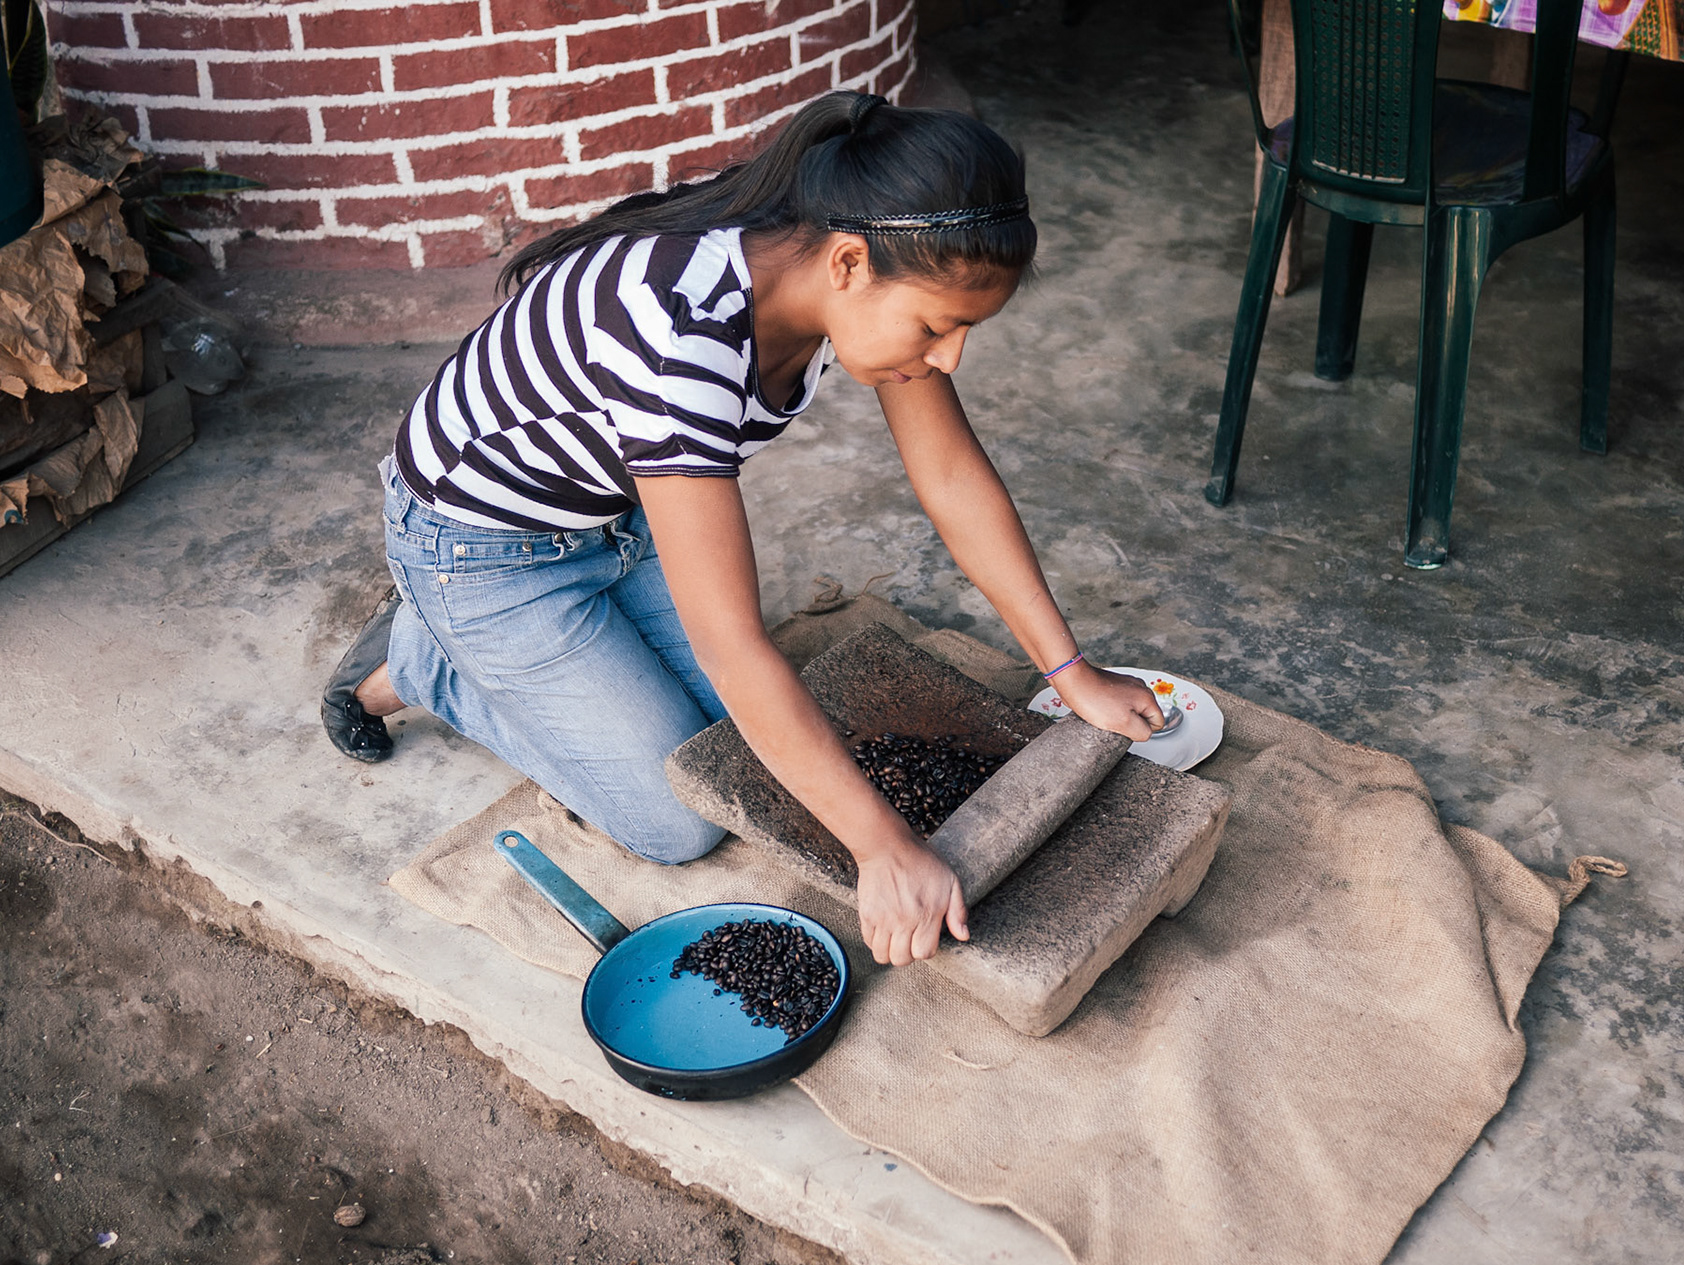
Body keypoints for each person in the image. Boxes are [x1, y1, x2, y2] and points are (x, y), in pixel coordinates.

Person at [321, 90, 1164, 968]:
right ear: (849, 264)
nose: (948, 356)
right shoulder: (679, 338)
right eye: (937, 327)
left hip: (618, 518)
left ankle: (495, 641)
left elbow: (952, 479)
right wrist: (884, 850)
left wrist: (1069, 671)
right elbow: (733, 646)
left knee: (754, 754)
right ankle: (426, 659)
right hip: (482, 550)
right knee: (679, 816)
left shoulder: (828, 253)